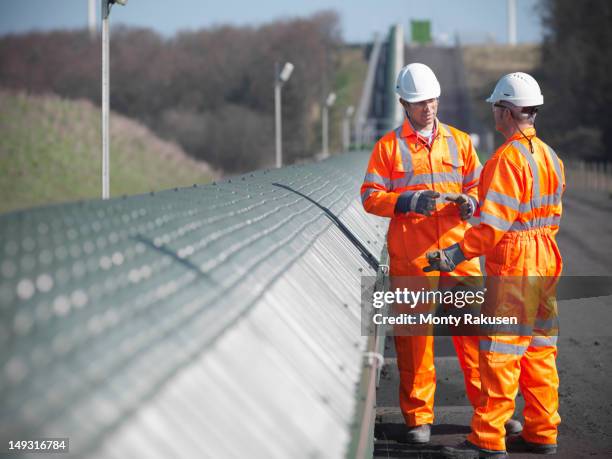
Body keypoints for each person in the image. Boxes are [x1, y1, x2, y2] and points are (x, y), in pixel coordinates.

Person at [425, 72, 564, 458]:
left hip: (516, 262)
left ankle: (486, 440)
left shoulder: (505, 160)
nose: (492, 113)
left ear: (506, 111)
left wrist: (454, 254)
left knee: (499, 353)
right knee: (539, 350)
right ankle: (541, 431)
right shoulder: (550, 156)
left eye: (494, 107)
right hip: (546, 258)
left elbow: (492, 227)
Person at [361, 62, 493, 444]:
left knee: (474, 334)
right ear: (404, 103)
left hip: (459, 252)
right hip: (413, 257)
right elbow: (370, 197)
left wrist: (471, 201)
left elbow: (478, 184)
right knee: (416, 339)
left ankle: (490, 412)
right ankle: (419, 418)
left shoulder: (460, 141)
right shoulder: (388, 148)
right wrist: (406, 202)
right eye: (420, 102)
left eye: (433, 100)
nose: (428, 108)